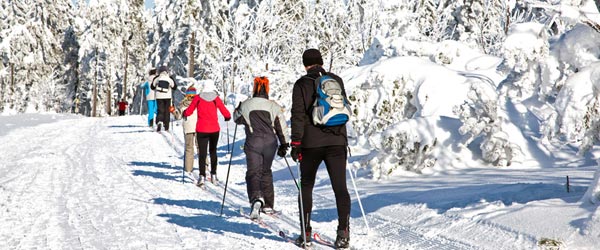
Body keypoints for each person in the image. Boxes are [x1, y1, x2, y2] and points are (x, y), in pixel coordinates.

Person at [290, 48, 351, 248]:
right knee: (340, 188)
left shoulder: (301, 84)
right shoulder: (336, 80)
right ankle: (343, 234)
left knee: (306, 186)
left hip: (311, 143)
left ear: (305, 64)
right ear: (322, 62)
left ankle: (306, 233)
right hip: (337, 141)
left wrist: (296, 143)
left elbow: (298, 114)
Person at [233, 76, 289, 219]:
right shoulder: (273, 106)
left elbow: (236, 119)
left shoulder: (246, 104)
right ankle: (269, 205)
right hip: (270, 143)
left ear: (254, 88)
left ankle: (257, 199)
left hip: (253, 143)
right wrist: (284, 144)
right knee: (266, 172)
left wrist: (238, 108)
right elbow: (281, 126)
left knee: (253, 172)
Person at [183, 79, 231, 186]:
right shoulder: (216, 98)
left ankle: (202, 177)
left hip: (202, 129)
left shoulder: (198, 98)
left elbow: (189, 111)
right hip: (214, 130)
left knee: (202, 154)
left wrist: (184, 113)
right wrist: (227, 117)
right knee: (213, 152)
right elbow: (225, 112)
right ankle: (213, 175)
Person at [173, 85, 199, 184]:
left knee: (189, 148)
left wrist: (173, 112)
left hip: (188, 128)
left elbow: (178, 117)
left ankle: (188, 168)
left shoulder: (183, 105)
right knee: (200, 147)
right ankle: (204, 167)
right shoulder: (199, 103)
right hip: (199, 127)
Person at [151, 65, 176, 131]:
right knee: (167, 111)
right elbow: (174, 87)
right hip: (168, 97)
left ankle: (159, 121)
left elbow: (152, 87)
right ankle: (166, 125)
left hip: (159, 97)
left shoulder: (157, 78)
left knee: (160, 110)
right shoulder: (169, 78)